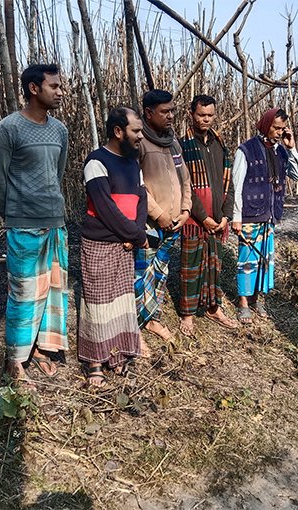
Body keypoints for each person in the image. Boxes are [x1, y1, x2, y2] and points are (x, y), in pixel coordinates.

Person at [0, 64, 69, 386]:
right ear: (34, 89)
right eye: (54, 86)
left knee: (51, 291)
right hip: (24, 226)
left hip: (55, 222)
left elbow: (56, 174)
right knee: (23, 293)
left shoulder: (59, 130)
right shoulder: (9, 129)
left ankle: (41, 347)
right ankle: (15, 359)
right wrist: (16, 214)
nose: (60, 92)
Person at [77, 107, 149, 387]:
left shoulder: (133, 164)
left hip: (127, 243)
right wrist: (135, 234)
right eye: (136, 131)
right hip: (100, 243)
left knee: (120, 302)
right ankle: (95, 362)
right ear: (118, 131)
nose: (140, 137)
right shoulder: (96, 162)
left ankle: (117, 355)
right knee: (97, 302)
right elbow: (106, 209)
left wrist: (137, 232)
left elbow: (142, 199)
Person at [230, 108, 298, 324]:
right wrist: (237, 217)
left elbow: (297, 175)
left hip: (270, 214)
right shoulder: (246, 150)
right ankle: (243, 302)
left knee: (264, 260)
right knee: (247, 259)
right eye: (276, 128)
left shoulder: (281, 151)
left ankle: (257, 298)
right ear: (265, 125)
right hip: (250, 214)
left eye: (282, 128)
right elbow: (237, 185)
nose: (279, 132)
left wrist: (292, 148)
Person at [177, 94, 239, 335]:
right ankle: (188, 313)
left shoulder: (219, 144)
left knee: (215, 266)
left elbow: (228, 183)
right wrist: (204, 217)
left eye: (210, 115)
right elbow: (185, 187)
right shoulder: (182, 145)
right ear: (191, 114)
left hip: (218, 218)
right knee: (190, 267)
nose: (206, 119)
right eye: (201, 115)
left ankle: (213, 307)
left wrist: (225, 216)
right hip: (195, 219)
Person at [134, 89, 191, 343]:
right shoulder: (139, 143)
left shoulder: (173, 142)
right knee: (141, 273)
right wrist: (158, 215)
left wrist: (186, 210)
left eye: (172, 111)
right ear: (148, 113)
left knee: (161, 273)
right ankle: (135, 327)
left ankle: (153, 319)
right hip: (150, 224)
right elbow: (138, 185)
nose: (170, 116)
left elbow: (185, 179)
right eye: (164, 112)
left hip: (175, 222)